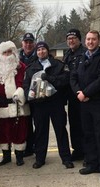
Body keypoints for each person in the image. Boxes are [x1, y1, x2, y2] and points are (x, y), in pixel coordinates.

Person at [70, 30, 100, 183]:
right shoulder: (81, 58)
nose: (90, 42)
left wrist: (86, 93)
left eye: (93, 39)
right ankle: (92, 164)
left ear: (98, 41)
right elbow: (73, 77)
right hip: (84, 103)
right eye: (88, 39)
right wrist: (78, 93)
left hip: (98, 103)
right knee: (87, 134)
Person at [23, 41, 74, 169]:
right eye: (39, 50)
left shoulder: (58, 65)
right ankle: (40, 159)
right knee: (40, 131)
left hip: (55, 102)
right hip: (39, 104)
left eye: (43, 49)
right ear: (36, 52)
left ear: (48, 51)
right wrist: (30, 97)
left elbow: (65, 81)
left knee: (61, 130)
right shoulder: (31, 68)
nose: (41, 52)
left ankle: (66, 158)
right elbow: (26, 85)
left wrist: (50, 78)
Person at [0, 41, 30, 166]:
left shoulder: (22, 67)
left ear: (14, 53)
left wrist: (20, 92)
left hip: (18, 105)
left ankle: (19, 157)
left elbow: (26, 84)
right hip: (2, 105)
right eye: (5, 52)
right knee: (3, 131)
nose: (8, 55)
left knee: (19, 130)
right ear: (0, 54)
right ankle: (6, 156)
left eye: (10, 52)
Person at [63, 29, 87, 161]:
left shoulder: (84, 54)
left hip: (82, 94)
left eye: (73, 38)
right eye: (69, 39)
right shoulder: (67, 54)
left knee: (85, 125)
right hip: (71, 96)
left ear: (79, 39)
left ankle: (87, 153)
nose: (71, 41)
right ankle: (78, 150)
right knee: (74, 124)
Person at [19, 32, 37, 157]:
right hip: (22, 96)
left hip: (37, 96)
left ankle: (38, 146)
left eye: (31, 42)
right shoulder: (17, 58)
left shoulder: (39, 56)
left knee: (39, 123)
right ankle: (29, 147)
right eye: (26, 42)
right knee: (26, 123)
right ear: (22, 44)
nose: (28, 44)